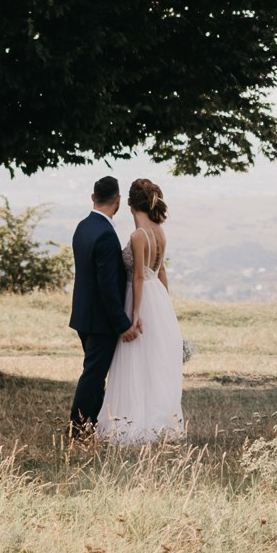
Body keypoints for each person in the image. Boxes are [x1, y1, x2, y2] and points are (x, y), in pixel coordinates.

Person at [96, 177, 185, 445]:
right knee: (153, 362)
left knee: (134, 361)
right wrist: (165, 306)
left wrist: (134, 315)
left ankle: (132, 425)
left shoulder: (138, 235)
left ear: (131, 204)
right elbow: (161, 272)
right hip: (157, 297)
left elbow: (137, 277)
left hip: (141, 298)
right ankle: (157, 422)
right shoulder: (160, 232)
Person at [68, 174, 141, 438]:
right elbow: (108, 287)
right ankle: (76, 429)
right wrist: (122, 324)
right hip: (100, 320)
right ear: (118, 201)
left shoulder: (83, 227)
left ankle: (92, 425)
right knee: (93, 376)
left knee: (94, 373)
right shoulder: (107, 236)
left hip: (83, 315)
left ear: (93, 197)